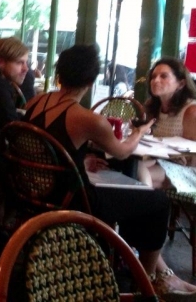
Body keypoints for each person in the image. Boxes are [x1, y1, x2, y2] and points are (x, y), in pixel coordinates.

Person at [23, 44, 196, 298]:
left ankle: (126, 257)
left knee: (131, 187)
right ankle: (145, 283)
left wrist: (81, 161)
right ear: (92, 80)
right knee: (157, 203)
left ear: (60, 73)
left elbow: (49, 147)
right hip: (75, 199)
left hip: (36, 191)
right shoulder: (86, 118)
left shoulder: (36, 102)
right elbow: (122, 152)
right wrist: (138, 132)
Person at [140, 58, 196, 187]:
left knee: (138, 173)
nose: (156, 80)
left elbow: (191, 157)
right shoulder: (152, 107)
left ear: (181, 84)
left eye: (163, 76)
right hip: (161, 160)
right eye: (153, 76)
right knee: (130, 168)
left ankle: (143, 198)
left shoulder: (191, 111)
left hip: (188, 171)